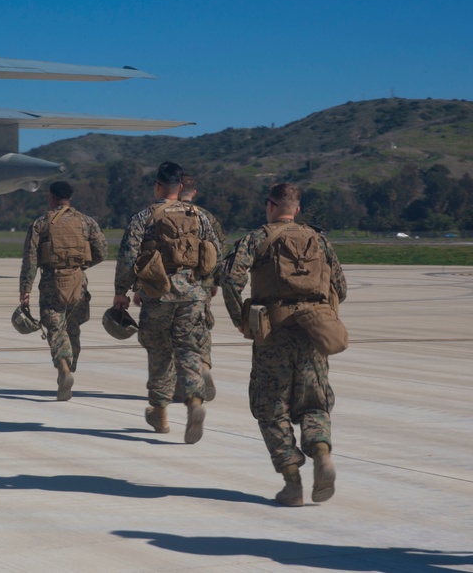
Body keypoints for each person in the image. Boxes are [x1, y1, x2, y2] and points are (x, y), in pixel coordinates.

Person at [221, 182, 347, 506]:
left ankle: (292, 484)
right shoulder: (318, 239)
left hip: (273, 336)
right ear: (298, 209)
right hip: (313, 334)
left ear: (270, 205)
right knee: (314, 403)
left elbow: (230, 279)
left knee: (271, 408)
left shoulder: (256, 238)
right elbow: (341, 287)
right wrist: (321, 313)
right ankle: (322, 454)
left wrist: (240, 319)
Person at [114, 161, 222, 443]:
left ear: (158, 187)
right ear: (180, 188)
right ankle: (195, 403)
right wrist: (206, 284)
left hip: (158, 294)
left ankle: (160, 415)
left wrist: (121, 291)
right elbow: (215, 253)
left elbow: (128, 255)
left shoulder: (145, 217)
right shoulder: (200, 217)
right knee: (189, 350)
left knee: (160, 352)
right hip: (193, 295)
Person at [20, 181, 108, 401]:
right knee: (73, 329)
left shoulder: (41, 224)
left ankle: (63, 367)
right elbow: (102, 252)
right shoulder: (87, 222)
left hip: (51, 282)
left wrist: (25, 290)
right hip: (78, 283)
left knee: (56, 330)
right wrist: (80, 267)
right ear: (70, 197)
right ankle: (70, 367)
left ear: (51, 198)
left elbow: (30, 261)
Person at [176, 172, 225, 402]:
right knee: (200, 328)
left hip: (171, 284)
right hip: (201, 284)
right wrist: (214, 280)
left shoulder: (160, 214)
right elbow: (219, 250)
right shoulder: (205, 217)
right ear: (193, 193)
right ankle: (204, 364)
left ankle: (181, 383)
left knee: (174, 334)